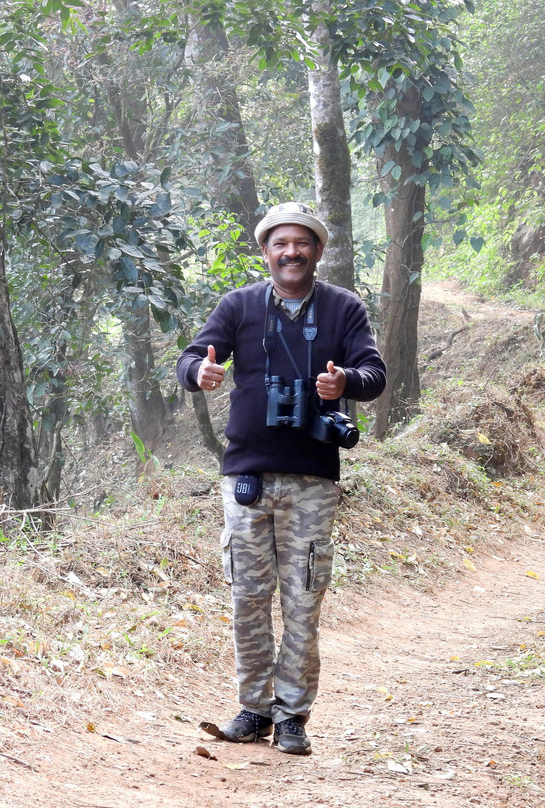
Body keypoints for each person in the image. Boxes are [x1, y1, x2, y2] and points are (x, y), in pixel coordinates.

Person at [176, 202, 386, 755]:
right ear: (265, 251)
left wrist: (345, 385)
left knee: (303, 599)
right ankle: (253, 710)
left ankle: (293, 716)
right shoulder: (239, 306)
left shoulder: (343, 308)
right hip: (246, 475)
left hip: (313, 479)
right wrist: (200, 371)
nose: (290, 252)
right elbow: (193, 355)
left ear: (316, 250)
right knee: (247, 597)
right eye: (280, 243)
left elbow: (374, 374)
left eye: (302, 243)